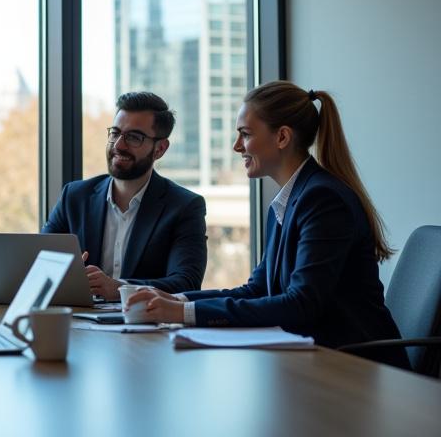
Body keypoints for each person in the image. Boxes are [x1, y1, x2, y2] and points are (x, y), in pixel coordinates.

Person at [127, 81, 408, 368]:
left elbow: (301, 304)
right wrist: (177, 299)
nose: (237, 146)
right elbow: (257, 289)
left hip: (357, 366)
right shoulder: (288, 201)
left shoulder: (322, 200)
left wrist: (182, 313)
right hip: (316, 360)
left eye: (245, 134)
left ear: (282, 137)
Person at [42, 92, 207, 300]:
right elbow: (39, 264)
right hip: (78, 316)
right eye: (115, 133)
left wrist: (119, 288)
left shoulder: (184, 206)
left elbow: (186, 282)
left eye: (134, 137)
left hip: (144, 319)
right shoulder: (74, 197)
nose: (119, 145)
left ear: (160, 149)